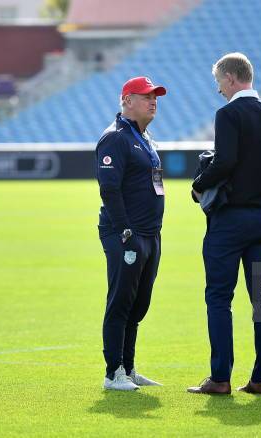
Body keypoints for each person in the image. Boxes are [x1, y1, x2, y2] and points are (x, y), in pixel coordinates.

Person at [187, 53, 261, 395]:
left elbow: (225, 161)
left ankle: (220, 378)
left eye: (219, 82)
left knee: (218, 298)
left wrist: (198, 185)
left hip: (231, 219)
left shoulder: (228, 114)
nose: (218, 90)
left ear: (230, 78)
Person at [96, 76, 167, 391]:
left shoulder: (145, 136)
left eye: (155, 97)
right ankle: (113, 373)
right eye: (146, 96)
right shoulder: (115, 138)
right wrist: (126, 231)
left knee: (139, 303)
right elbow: (109, 190)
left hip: (150, 234)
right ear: (127, 100)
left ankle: (128, 366)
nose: (153, 101)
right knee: (121, 301)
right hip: (126, 233)